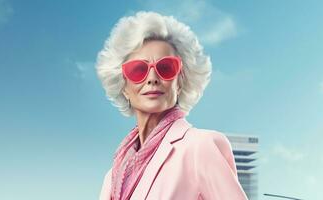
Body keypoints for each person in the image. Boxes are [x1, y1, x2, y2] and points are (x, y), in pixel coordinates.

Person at [95, 11, 248, 200]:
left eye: (166, 67)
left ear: (180, 80)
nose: (152, 78)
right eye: (138, 70)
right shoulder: (112, 177)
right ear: (123, 86)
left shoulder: (199, 147)